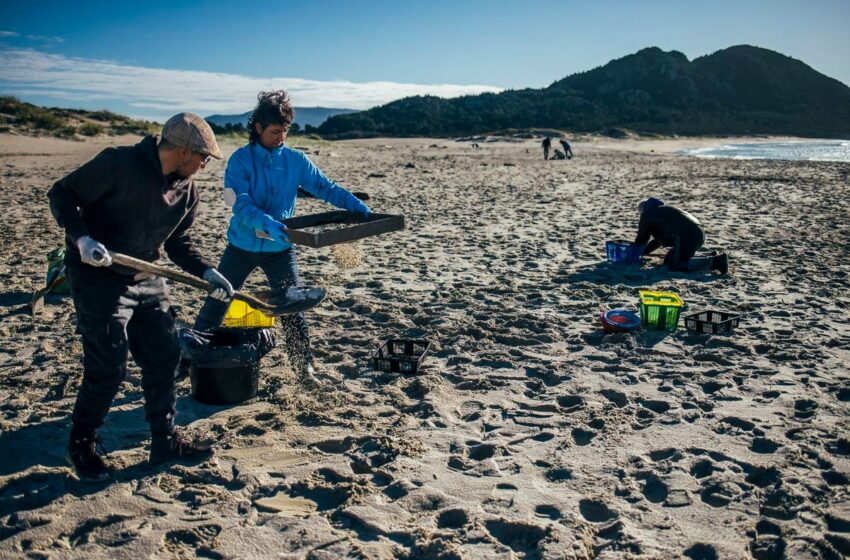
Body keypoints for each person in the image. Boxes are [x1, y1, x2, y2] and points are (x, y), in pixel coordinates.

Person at [47, 113, 235, 481]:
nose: (204, 165)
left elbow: (180, 243)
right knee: (109, 366)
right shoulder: (118, 163)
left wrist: (207, 271)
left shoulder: (187, 190)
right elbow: (62, 193)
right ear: (183, 150)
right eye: (202, 158)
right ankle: (81, 444)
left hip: (146, 274)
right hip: (97, 276)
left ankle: (165, 440)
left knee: (165, 355)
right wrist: (82, 239)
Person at [191, 90, 371, 378]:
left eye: (285, 131)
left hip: (281, 250)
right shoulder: (239, 161)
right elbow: (241, 204)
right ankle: (186, 363)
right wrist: (268, 224)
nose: (281, 137)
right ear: (258, 128)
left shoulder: (295, 160)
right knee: (217, 300)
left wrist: (354, 205)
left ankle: (304, 368)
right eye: (275, 131)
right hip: (241, 247)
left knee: (292, 307)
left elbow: (325, 187)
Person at [634, 198, 728, 274]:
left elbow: (642, 237)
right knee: (668, 260)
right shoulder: (664, 211)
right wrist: (643, 252)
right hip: (698, 233)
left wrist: (635, 252)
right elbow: (658, 241)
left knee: (676, 265)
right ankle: (710, 257)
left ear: (643, 210)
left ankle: (716, 261)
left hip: (685, 235)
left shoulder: (648, 214)